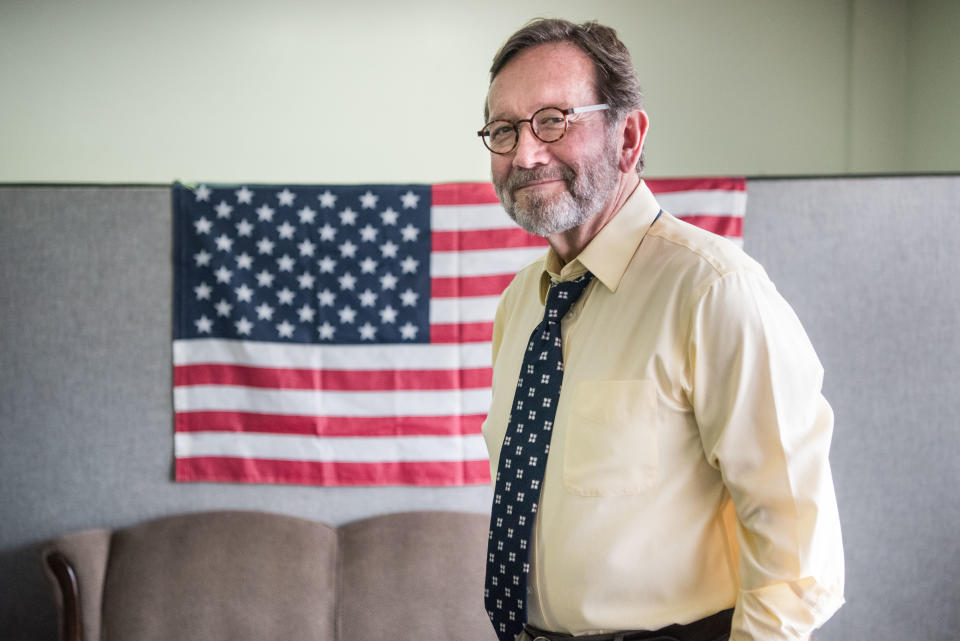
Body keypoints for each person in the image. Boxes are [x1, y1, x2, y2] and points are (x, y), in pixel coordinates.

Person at [478, 18, 844, 641]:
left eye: (553, 121)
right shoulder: (520, 306)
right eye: (504, 130)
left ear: (628, 137)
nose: (526, 153)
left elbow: (797, 557)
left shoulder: (713, 290)